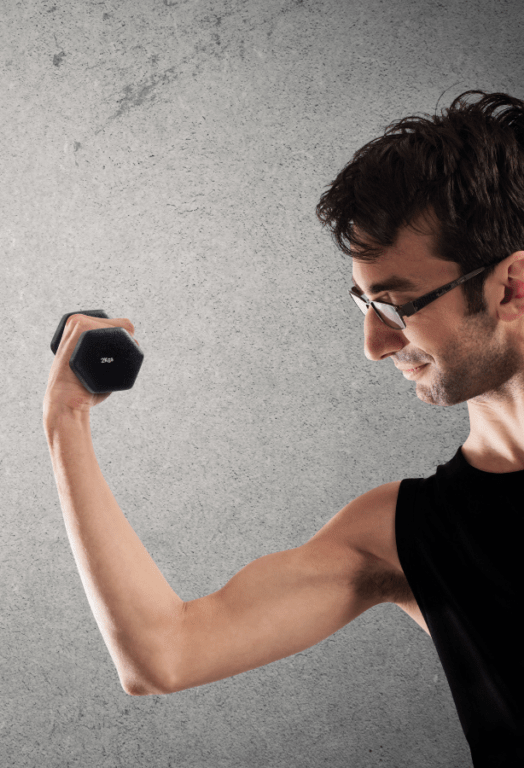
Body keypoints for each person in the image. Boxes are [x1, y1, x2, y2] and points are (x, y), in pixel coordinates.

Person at [45, 91, 524, 767]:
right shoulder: (404, 533)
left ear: (511, 286)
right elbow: (163, 654)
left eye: (395, 305)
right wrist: (66, 421)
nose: (373, 343)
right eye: (363, 304)